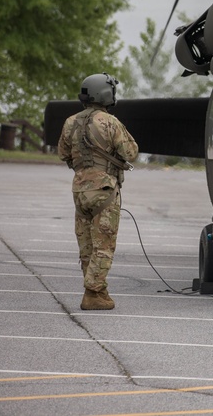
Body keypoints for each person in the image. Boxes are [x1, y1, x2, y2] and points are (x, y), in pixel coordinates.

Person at [57, 73, 138, 310]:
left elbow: (63, 153)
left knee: (87, 247)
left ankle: (99, 292)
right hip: (104, 190)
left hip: (80, 192)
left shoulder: (70, 122)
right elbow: (130, 152)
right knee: (104, 246)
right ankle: (92, 293)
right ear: (105, 93)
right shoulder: (110, 122)